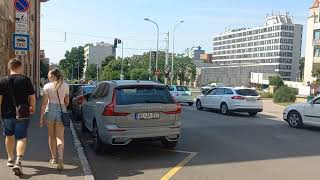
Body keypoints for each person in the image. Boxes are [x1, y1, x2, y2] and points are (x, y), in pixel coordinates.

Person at [0, 58, 36, 176]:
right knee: (21, 138)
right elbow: (32, 97)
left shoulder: (3, 80)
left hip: (6, 114)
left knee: (9, 136)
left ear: (9, 67)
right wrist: (32, 107)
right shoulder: (25, 80)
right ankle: (18, 161)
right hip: (23, 114)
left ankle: (10, 159)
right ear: (19, 67)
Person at [40, 69, 69, 171]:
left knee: (51, 136)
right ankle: (61, 158)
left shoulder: (47, 86)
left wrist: (41, 118)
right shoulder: (66, 86)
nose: (48, 76)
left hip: (50, 111)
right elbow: (67, 101)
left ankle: (53, 158)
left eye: (49, 75)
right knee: (60, 137)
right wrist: (63, 107)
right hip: (61, 110)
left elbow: (44, 103)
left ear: (53, 75)